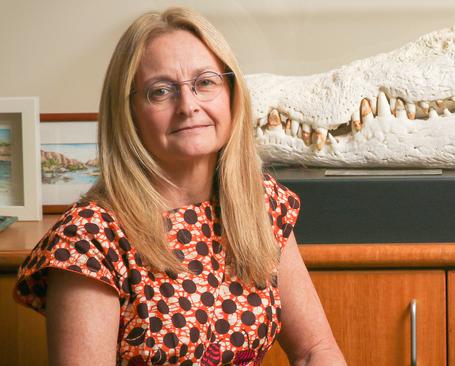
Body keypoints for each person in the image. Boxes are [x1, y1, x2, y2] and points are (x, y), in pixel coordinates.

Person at [14, 7, 346, 366]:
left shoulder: (261, 203)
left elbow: (317, 351)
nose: (188, 105)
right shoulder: (90, 238)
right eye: (161, 91)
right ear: (129, 111)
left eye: (205, 82)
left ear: (231, 93)